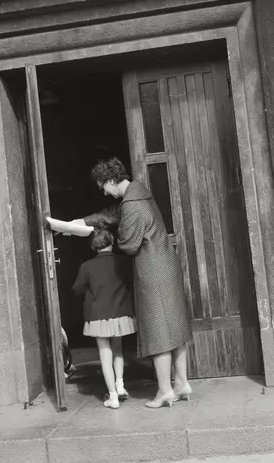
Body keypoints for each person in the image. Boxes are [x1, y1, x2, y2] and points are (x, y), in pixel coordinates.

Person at [75, 157, 192, 409]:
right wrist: (81, 223)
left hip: (152, 272)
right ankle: (182, 383)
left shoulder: (131, 205)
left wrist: (113, 236)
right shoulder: (139, 193)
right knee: (174, 329)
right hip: (167, 266)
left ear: (111, 180)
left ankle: (164, 391)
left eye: (103, 187)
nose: (104, 192)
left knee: (158, 332)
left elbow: (129, 245)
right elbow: (111, 214)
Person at [72, 225, 136, 409]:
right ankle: (120, 385)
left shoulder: (87, 266)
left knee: (104, 354)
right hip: (120, 312)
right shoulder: (123, 262)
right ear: (112, 242)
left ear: (93, 246)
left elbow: (77, 289)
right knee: (118, 349)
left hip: (98, 315)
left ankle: (113, 397)